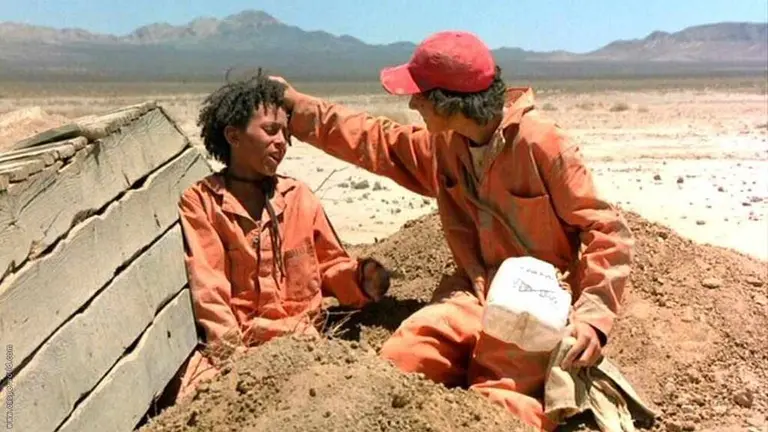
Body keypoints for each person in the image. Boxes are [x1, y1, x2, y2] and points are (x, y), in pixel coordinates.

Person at [269, 31, 634, 431]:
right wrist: (295, 105)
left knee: (500, 404)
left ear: (448, 102)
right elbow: (376, 140)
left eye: (420, 95)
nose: (412, 104)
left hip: (538, 303)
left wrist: (592, 319)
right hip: (475, 292)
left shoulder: (542, 143)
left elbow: (606, 229)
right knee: (401, 360)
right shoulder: (446, 145)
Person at [174, 71, 391, 402]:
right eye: (270, 130)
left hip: (304, 345)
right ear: (233, 136)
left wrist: (359, 279)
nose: (281, 142)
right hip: (241, 352)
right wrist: (235, 364)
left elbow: (329, 264)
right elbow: (210, 289)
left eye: (286, 134)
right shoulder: (203, 202)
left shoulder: (299, 197)